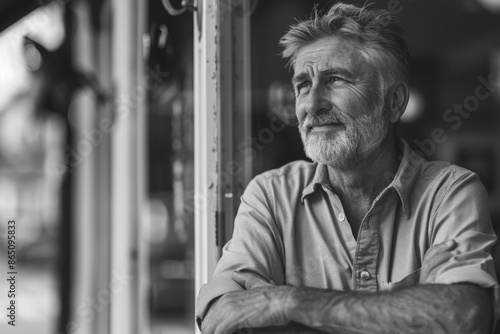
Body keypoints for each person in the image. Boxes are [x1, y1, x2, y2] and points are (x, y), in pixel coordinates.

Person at [196, 2, 499, 333]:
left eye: (335, 79)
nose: (312, 104)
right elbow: (221, 319)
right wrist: (409, 304)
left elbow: (464, 317)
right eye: (302, 85)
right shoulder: (270, 195)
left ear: (394, 101)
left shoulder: (450, 193)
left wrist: (285, 302)